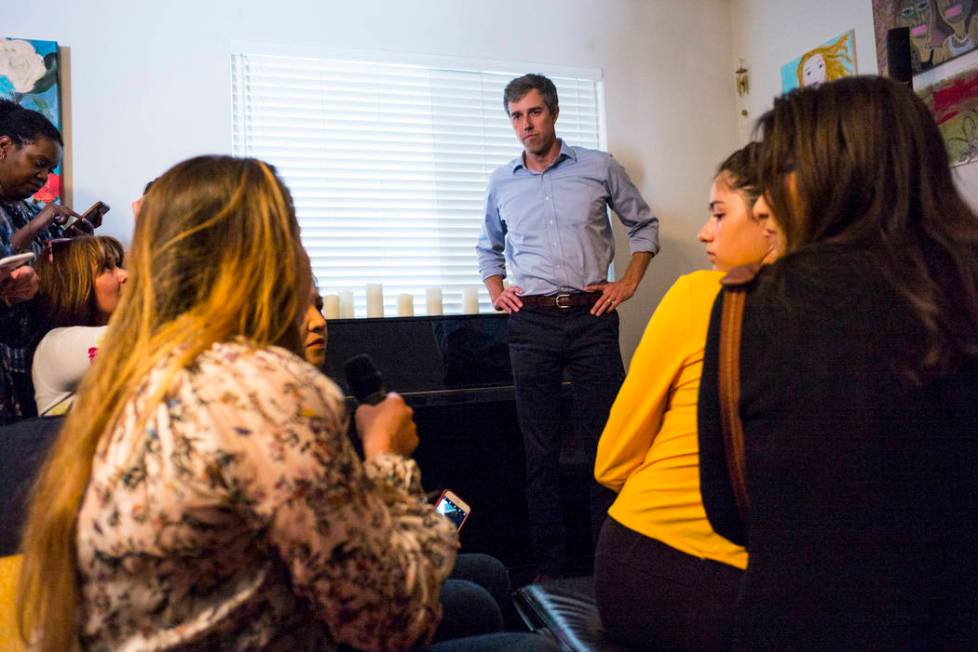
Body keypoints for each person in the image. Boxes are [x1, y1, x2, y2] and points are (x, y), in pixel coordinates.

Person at [17, 155, 553, 652]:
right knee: (524, 638)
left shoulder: (143, 370)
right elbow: (388, 617)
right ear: (266, 255)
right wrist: (387, 456)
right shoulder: (261, 389)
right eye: (295, 234)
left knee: (480, 583)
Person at [698, 76, 978, 648]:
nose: (766, 204)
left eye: (780, 176)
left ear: (836, 173)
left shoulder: (749, 304)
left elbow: (728, 508)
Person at [475, 73, 658, 578]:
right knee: (540, 453)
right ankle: (551, 568)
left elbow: (645, 226)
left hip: (591, 317)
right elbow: (486, 248)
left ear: (553, 113)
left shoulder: (599, 167)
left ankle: (608, 562)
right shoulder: (502, 180)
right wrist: (497, 291)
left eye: (533, 113)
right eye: (515, 116)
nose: (525, 125)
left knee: (608, 444)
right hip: (530, 322)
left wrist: (628, 282)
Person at [593, 143, 775, 650]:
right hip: (772, 580)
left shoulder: (698, 295)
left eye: (719, 213)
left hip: (650, 561)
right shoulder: (853, 314)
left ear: (772, 217)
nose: (703, 232)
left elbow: (610, 464)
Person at [0, 99, 80, 424]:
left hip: (24, 359)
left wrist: (70, 244)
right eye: (39, 163)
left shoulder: (24, 208)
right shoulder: (32, 216)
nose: (44, 177)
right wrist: (35, 227)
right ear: (4, 147)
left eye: (50, 170)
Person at [30, 236, 127, 415]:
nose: (124, 275)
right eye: (107, 267)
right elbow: (139, 336)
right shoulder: (54, 347)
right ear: (73, 285)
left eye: (118, 265)